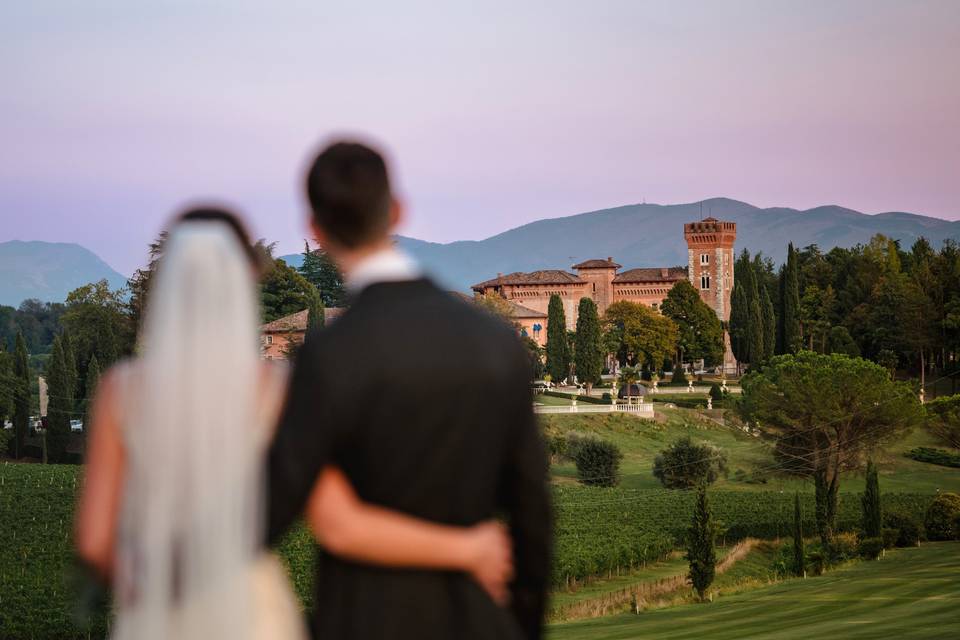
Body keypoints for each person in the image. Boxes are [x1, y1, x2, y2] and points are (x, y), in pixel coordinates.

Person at [74, 208, 515, 640]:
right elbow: (338, 524)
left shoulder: (121, 390)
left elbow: (95, 543)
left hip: (152, 618)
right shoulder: (273, 390)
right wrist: (466, 547)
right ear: (244, 277)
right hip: (250, 616)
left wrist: (154, 588)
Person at [267, 141, 552, 640]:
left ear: (314, 229)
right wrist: (521, 623)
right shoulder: (494, 342)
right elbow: (532, 510)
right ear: (397, 210)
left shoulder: (331, 354)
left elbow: (270, 513)